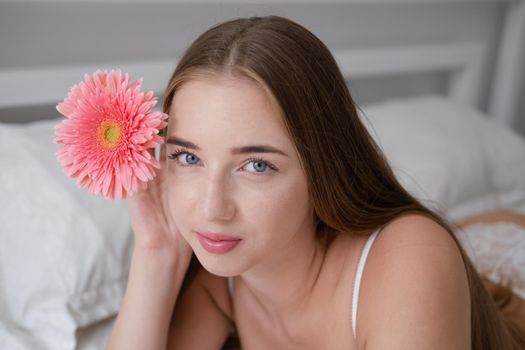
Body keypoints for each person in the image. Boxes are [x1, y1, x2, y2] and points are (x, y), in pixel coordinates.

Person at [107, 15, 525, 349]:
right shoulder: (222, 280)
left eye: (256, 165)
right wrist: (156, 252)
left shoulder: (411, 256)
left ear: (321, 165)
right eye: (189, 157)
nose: (212, 208)